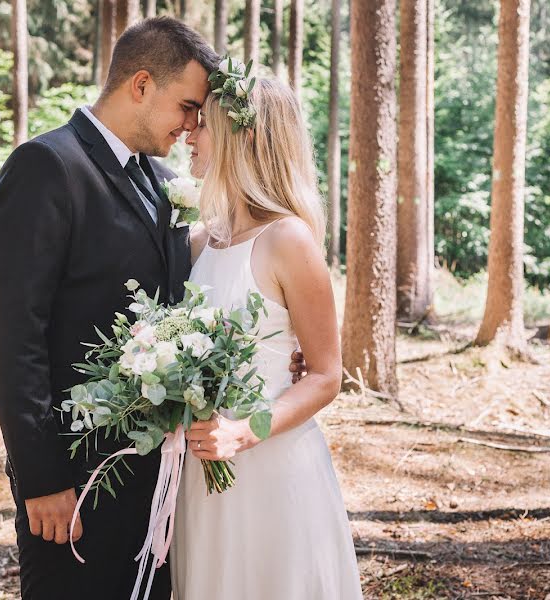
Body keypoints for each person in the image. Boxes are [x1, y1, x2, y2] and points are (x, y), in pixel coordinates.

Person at [0, 17, 305, 599]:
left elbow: (200, 295)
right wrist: (42, 478)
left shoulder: (159, 179)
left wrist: (275, 358)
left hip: (162, 481)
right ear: (140, 84)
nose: (192, 125)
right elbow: (12, 336)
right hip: (77, 480)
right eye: (186, 106)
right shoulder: (47, 168)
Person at [170, 70, 363, 599]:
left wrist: (243, 431)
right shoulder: (198, 242)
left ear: (243, 137)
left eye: (203, 124)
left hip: (273, 466)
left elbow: (325, 375)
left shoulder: (288, 239)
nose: (188, 133)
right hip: (202, 473)